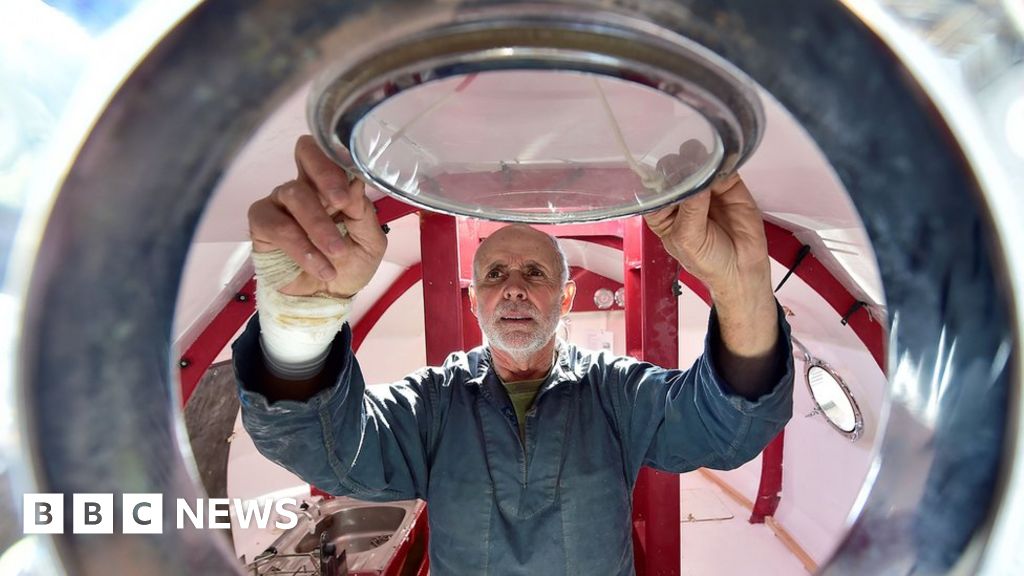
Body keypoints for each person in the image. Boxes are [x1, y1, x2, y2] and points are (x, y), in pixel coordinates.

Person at [233, 136, 794, 575]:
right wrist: (301, 320)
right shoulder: (433, 403)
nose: (514, 289)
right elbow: (323, 448)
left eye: (535, 273)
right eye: (495, 274)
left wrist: (739, 284)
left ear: (567, 298)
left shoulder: (616, 392)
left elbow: (725, 430)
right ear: (474, 301)